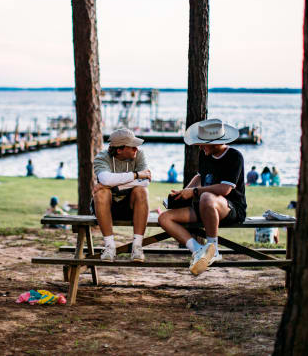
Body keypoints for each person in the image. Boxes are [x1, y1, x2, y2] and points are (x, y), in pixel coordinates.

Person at [158, 118, 247, 276]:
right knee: (164, 218)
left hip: (230, 208)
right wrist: (183, 193)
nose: (199, 146)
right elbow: (199, 176)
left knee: (206, 197)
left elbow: (225, 189)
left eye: (202, 142)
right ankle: (199, 251)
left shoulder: (234, 156)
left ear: (214, 142)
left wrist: (194, 192)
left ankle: (213, 248)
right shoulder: (204, 154)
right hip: (205, 206)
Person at [92, 128, 151, 262]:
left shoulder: (139, 155)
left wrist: (113, 184)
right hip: (106, 207)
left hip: (131, 207)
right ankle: (109, 247)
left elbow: (145, 181)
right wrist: (136, 175)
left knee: (141, 191)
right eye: (132, 146)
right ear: (119, 150)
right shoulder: (102, 157)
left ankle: (137, 247)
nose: (136, 148)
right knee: (101, 193)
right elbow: (106, 179)